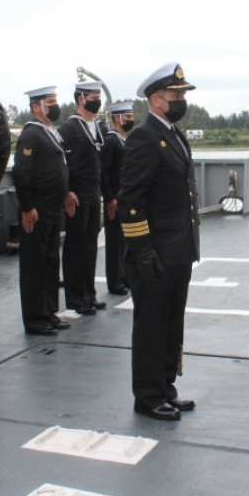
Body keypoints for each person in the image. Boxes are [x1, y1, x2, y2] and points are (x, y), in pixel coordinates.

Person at [118, 63, 199, 421]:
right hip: (154, 253)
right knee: (151, 324)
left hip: (178, 250)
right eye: (175, 95)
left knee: (171, 322)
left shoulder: (174, 135)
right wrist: (143, 250)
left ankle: (166, 386)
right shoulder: (144, 137)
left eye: (182, 94)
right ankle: (148, 396)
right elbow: (131, 199)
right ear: (156, 99)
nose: (181, 100)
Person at [12, 86, 75, 335]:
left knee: (50, 263)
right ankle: (35, 318)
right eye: (50, 102)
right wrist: (27, 207)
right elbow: (21, 172)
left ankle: (49, 311)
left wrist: (66, 192)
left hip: (52, 209)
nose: (55, 105)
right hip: (36, 212)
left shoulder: (51, 133)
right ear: (36, 107)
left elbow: (57, 167)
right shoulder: (31, 135)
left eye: (55, 101)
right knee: (34, 267)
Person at [59, 81, 105, 315]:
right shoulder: (69, 127)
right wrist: (67, 191)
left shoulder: (96, 126)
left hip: (93, 193)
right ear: (80, 99)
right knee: (75, 246)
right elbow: (62, 163)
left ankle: (89, 293)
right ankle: (76, 297)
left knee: (89, 246)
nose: (97, 100)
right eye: (93, 96)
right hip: (77, 194)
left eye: (98, 95)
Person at [101, 101, 135, 296]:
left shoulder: (126, 140)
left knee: (127, 241)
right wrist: (109, 198)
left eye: (131, 117)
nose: (130, 120)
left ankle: (126, 276)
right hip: (115, 199)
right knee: (115, 243)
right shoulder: (111, 141)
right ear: (116, 119)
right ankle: (115, 282)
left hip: (127, 199)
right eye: (127, 117)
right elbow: (104, 173)